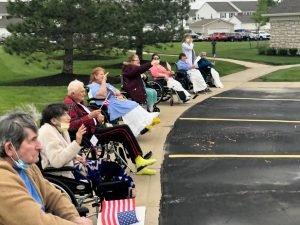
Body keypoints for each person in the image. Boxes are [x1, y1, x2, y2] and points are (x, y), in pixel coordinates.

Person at [0, 111, 92, 225]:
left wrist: (73, 217)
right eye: (33, 140)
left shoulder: (27, 167)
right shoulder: (3, 181)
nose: (40, 146)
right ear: (9, 148)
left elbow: (54, 196)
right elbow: (35, 221)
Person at [63, 80, 157, 175]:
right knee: (123, 129)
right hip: (90, 135)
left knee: (123, 131)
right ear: (73, 93)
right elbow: (71, 125)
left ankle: (139, 162)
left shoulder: (77, 102)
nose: (84, 93)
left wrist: (97, 116)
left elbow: (86, 113)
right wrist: (90, 116)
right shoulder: (70, 105)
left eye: (84, 91)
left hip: (95, 128)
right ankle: (138, 160)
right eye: (82, 92)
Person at [38, 103, 135, 189]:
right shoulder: (47, 133)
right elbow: (57, 161)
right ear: (54, 120)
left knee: (110, 165)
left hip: (72, 165)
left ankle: (123, 189)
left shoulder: (60, 127)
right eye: (64, 114)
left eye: (68, 113)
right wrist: (77, 142)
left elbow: (65, 148)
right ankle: (122, 190)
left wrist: (76, 156)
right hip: (64, 174)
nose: (69, 117)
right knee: (108, 168)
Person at [88, 67, 160, 137]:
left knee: (133, 104)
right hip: (107, 104)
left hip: (114, 101)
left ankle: (142, 124)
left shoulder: (105, 84)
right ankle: (140, 126)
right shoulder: (93, 86)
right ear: (95, 76)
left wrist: (118, 95)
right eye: (101, 74)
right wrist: (104, 81)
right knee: (130, 106)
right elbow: (102, 95)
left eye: (104, 74)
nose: (103, 76)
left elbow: (117, 91)